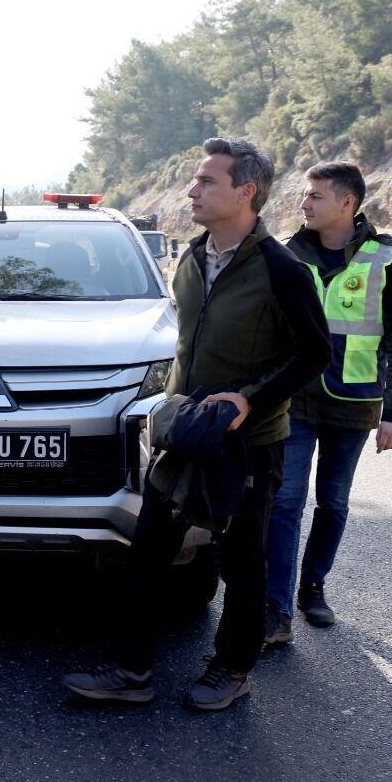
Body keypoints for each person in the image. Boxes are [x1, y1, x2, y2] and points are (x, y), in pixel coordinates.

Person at [61, 137, 331, 711]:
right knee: (148, 553)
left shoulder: (281, 268)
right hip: (185, 434)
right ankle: (131, 671)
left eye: (207, 181)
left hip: (250, 445)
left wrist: (248, 401)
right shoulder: (189, 256)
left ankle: (233, 669)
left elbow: (313, 355)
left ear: (246, 192)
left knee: (241, 563)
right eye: (195, 180)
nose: (193, 190)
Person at [264, 162, 392, 645]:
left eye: (315, 195)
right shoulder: (286, 254)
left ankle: (312, 586)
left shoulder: (388, 258)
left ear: (347, 203)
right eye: (305, 195)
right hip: (292, 402)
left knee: (333, 502)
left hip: (354, 403)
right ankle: (276, 609)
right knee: (285, 502)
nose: (304, 203)